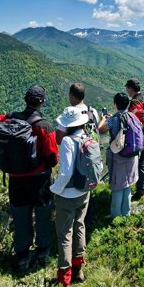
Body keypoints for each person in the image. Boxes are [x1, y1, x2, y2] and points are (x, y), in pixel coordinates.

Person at [4, 86, 59, 271]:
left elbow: (0, 125)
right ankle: (43, 251)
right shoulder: (44, 126)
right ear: (42, 102)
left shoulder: (10, 120)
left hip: (16, 180)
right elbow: (53, 157)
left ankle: (22, 256)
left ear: (25, 99)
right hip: (39, 180)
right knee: (43, 215)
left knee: (20, 217)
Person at [50, 106, 91, 287]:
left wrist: (55, 189)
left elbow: (65, 173)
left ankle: (64, 280)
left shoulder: (67, 141)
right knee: (80, 227)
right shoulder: (86, 136)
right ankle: (78, 270)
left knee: (65, 234)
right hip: (84, 191)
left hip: (67, 195)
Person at [55, 83, 100, 233]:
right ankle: (88, 222)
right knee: (85, 193)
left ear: (72, 96)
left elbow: (58, 139)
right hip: (89, 159)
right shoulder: (92, 111)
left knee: (73, 195)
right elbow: (97, 132)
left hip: (73, 160)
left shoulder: (69, 115)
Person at [98, 93, 139, 217]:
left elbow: (100, 130)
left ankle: (115, 214)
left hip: (118, 156)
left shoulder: (114, 119)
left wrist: (104, 119)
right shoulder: (133, 116)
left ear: (115, 104)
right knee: (127, 184)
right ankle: (126, 213)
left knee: (117, 185)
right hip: (132, 155)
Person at [125, 78, 144, 198]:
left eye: (127, 88)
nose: (127, 91)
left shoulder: (134, 102)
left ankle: (140, 190)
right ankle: (143, 187)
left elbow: (132, 121)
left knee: (140, 163)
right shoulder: (142, 98)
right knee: (142, 162)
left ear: (130, 88)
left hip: (140, 137)